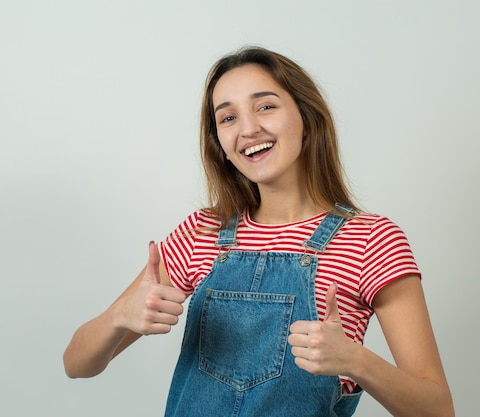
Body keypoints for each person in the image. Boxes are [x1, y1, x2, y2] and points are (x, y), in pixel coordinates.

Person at [63, 46, 454, 417]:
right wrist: (119, 316)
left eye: (265, 106)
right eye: (228, 118)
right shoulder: (201, 233)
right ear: (221, 144)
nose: (248, 128)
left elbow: (438, 409)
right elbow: (76, 364)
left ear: (306, 116)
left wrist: (356, 360)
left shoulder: (371, 239)